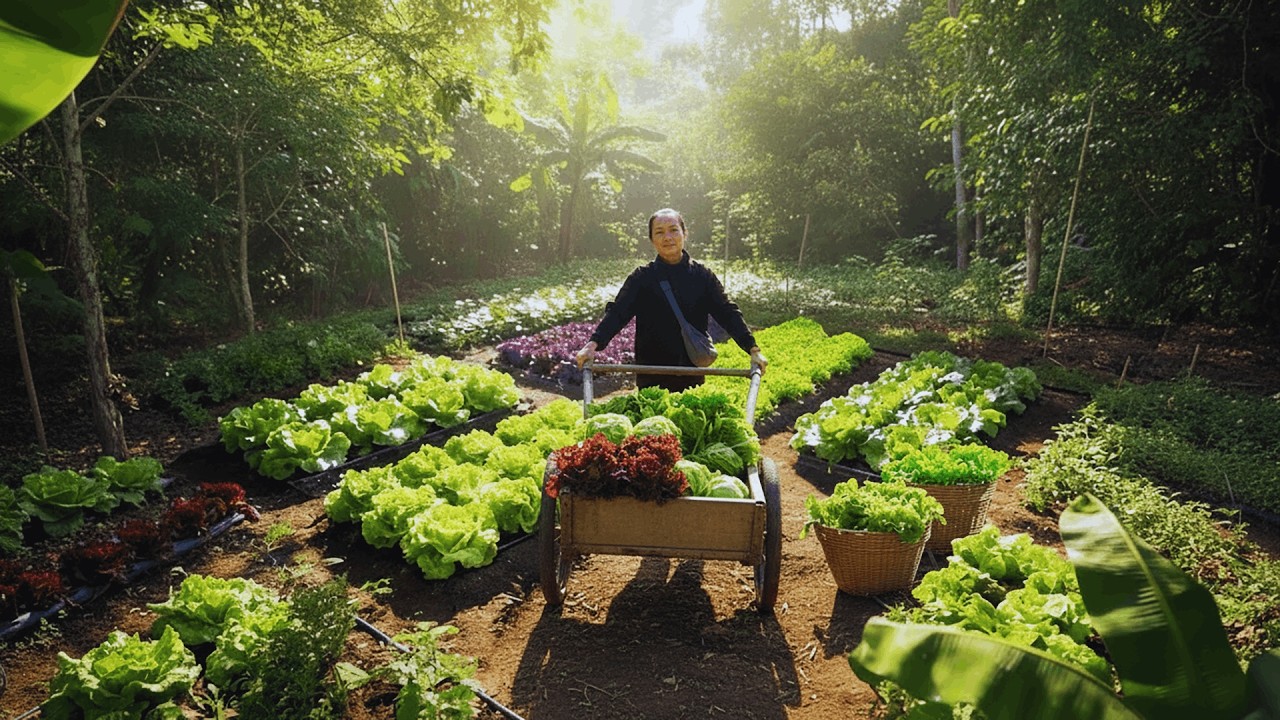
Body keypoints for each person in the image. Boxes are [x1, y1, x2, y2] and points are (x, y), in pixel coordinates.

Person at [574, 208, 767, 391]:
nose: (667, 237)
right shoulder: (642, 278)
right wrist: (592, 345)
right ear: (651, 239)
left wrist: (752, 349)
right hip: (651, 374)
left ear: (685, 234)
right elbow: (617, 313)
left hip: (690, 372)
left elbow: (727, 312)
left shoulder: (702, 276)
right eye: (659, 232)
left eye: (674, 230)